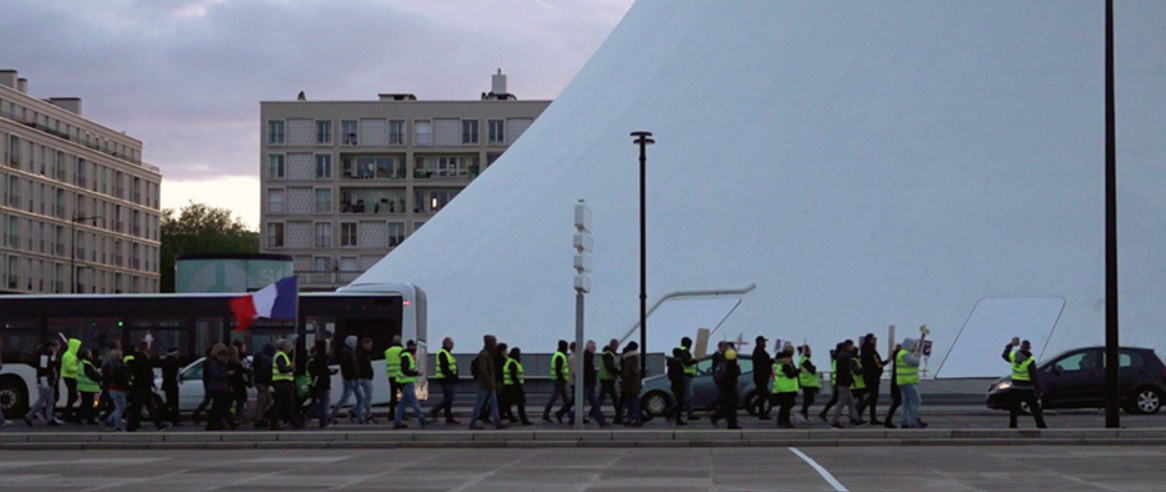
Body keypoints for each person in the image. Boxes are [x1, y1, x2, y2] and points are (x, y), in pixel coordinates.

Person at [1003, 338, 1047, 429]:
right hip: (1027, 388)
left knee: (1014, 409)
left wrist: (1011, 344)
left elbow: (1005, 355)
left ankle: (1012, 426)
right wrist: (1038, 389)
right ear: (1029, 348)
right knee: (1035, 409)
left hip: (1015, 387)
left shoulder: (1013, 356)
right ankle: (1041, 426)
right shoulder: (1030, 360)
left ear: (1021, 347)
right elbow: (1034, 376)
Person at [125, 342, 169, 432]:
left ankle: (158, 424)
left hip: (140, 386)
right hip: (143, 387)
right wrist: (151, 383)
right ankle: (131, 426)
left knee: (145, 406)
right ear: (146, 348)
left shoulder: (135, 359)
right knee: (141, 407)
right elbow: (146, 374)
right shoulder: (143, 359)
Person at [469, 335, 507, 430]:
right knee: (480, 403)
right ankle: (473, 423)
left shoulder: (488, 354)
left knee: (493, 403)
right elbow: (483, 369)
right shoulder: (485, 355)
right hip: (485, 384)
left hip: (489, 384)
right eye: (494, 342)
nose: (495, 344)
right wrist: (490, 379)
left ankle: (497, 422)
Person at [24, 338, 62, 426]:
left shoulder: (47, 355)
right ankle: (29, 415)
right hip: (45, 381)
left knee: (50, 400)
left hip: (48, 380)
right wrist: (49, 380)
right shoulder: (44, 356)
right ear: (51, 347)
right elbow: (43, 370)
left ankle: (49, 418)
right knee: (43, 399)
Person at [830, 339, 865, 429]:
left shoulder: (841, 355)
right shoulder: (846, 356)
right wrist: (850, 380)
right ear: (848, 346)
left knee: (851, 402)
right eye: (852, 346)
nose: (853, 347)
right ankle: (834, 421)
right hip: (844, 383)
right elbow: (846, 371)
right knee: (841, 403)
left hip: (842, 382)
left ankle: (855, 418)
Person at [394, 340, 428, 429]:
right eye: (414, 346)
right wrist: (416, 373)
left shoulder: (407, 355)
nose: (415, 348)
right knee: (414, 401)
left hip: (405, 381)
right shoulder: (406, 355)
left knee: (402, 403)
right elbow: (405, 370)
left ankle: (397, 421)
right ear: (409, 346)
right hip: (406, 381)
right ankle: (422, 419)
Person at [270, 340, 302, 430]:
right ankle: (275, 422)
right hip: (281, 383)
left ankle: (293, 421)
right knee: (281, 404)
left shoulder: (282, 355)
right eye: (288, 346)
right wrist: (291, 367)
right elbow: (282, 369)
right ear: (283, 347)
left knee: (289, 403)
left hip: (284, 383)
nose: (290, 348)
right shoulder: (280, 356)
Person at [330, 336, 361, 424]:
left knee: (360, 398)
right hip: (351, 379)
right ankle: (332, 415)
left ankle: (357, 414)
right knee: (345, 399)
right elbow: (346, 367)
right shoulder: (347, 352)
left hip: (353, 378)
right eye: (355, 342)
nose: (356, 344)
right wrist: (350, 376)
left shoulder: (350, 351)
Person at [859, 334, 888, 425]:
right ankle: (865, 413)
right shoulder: (872, 352)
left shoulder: (863, 351)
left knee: (871, 396)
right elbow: (879, 364)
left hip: (867, 376)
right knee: (873, 397)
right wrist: (888, 360)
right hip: (873, 377)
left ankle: (862, 412)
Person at [429, 337, 459, 424]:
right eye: (451, 344)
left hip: (448, 379)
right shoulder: (443, 353)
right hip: (445, 379)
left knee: (448, 398)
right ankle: (435, 410)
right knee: (450, 398)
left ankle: (448, 417)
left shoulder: (447, 353)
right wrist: (452, 376)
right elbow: (444, 368)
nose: (452, 346)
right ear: (446, 344)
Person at [710, 343, 740, 429]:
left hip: (726, 384)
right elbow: (736, 372)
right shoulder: (731, 361)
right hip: (729, 384)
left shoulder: (724, 360)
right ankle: (728, 421)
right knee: (731, 404)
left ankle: (726, 419)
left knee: (728, 404)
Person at [897, 336, 924, 428]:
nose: (915, 347)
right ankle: (913, 421)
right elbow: (915, 363)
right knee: (916, 401)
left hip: (903, 381)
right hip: (907, 381)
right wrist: (918, 355)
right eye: (914, 346)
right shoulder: (905, 354)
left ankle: (904, 421)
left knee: (906, 402)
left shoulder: (902, 353)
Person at [205, 345, 234, 431]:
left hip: (220, 388)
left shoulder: (220, 364)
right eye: (224, 357)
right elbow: (216, 375)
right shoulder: (214, 364)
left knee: (218, 407)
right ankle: (212, 424)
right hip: (217, 388)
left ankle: (215, 423)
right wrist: (227, 374)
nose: (225, 359)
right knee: (217, 407)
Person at [101, 349, 130, 431]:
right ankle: (117, 425)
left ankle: (109, 420)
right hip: (117, 388)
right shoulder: (119, 366)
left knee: (120, 407)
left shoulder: (110, 365)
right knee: (120, 407)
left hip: (114, 388)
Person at [772, 343, 800, 428]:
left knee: (785, 406)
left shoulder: (780, 363)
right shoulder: (786, 364)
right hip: (788, 388)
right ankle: (784, 421)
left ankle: (782, 420)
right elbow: (790, 375)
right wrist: (798, 371)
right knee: (787, 405)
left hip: (781, 387)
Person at [502, 347, 532, 425]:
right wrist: (518, 385)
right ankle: (523, 420)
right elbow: (513, 375)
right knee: (520, 403)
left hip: (508, 385)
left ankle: (512, 417)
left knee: (507, 403)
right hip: (514, 386)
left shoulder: (509, 361)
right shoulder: (513, 363)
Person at [543, 340, 572, 423]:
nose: (567, 349)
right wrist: (562, 378)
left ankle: (569, 415)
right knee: (557, 398)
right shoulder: (560, 356)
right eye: (566, 347)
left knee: (565, 399)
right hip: (560, 381)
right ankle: (546, 414)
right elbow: (558, 369)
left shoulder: (557, 355)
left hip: (559, 380)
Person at [310, 340, 336, 429]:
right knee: (323, 403)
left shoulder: (319, 357)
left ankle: (307, 416)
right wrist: (329, 371)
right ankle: (323, 422)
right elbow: (321, 371)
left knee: (321, 403)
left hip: (321, 382)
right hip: (322, 382)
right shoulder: (321, 358)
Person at [581, 340, 608, 427]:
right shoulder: (586, 357)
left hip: (588, 383)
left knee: (590, 403)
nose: (595, 349)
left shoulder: (587, 356)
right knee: (594, 403)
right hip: (587, 384)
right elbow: (587, 371)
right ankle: (601, 421)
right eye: (593, 347)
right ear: (589, 348)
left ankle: (601, 421)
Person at [818, 342, 845, 421]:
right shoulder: (839, 358)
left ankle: (825, 412)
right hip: (839, 381)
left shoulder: (835, 358)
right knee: (836, 399)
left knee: (836, 399)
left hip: (836, 381)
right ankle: (825, 412)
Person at [597, 339, 622, 423]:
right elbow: (610, 367)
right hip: (608, 378)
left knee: (603, 398)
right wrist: (618, 372)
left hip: (606, 378)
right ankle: (618, 416)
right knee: (614, 398)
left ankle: (594, 412)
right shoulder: (609, 354)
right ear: (615, 346)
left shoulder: (608, 354)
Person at [76, 349, 102, 425]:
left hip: (84, 387)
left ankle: (85, 417)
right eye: (90, 354)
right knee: (88, 404)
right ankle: (85, 418)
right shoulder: (87, 364)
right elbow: (92, 375)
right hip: (88, 387)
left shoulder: (82, 363)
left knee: (87, 403)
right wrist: (100, 377)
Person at [252, 342, 275, 428]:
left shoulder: (259, 356)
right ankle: (259, 418)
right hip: (263, 382)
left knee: (265, 400)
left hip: (258, 381)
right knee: (263, 401)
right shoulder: (267, 360)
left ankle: (261, 417)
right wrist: (269, 381)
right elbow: (265, 372)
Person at [190, 346, 215, 424]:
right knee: (209, 401)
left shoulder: (206, 361)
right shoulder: (210, 361)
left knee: (208, 401)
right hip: (210, 384)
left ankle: (196, 414)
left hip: (208, 383)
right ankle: (196, 414)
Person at [621, 342, 643, 426]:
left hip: (630, 384)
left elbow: (626, 374)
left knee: (632, 402)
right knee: (633, 401)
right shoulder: (635, 359)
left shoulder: (628, 361)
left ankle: (635, 419)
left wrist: (623, 384)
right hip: (635, 383)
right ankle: (633, 418)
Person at [677, 337, 699, 420]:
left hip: (684, 375)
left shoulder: (681, 351)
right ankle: (690, 414)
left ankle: (688, 413)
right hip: (686, 375)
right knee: (689, 396)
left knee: (685, 396)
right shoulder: (684, 351)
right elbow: (687, 363)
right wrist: (696, 360)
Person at [60, 337, 82, 423]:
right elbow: (69, 368)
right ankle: (67, 414)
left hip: (72, 377)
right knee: (72, 396)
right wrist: (78, 368)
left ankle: (68, 413)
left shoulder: (72, 355)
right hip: (69, 377)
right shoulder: (68, 355)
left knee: (72, 396)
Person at [797, 345, 821, 420]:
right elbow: (812, 370)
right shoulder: (806, 360)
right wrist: (814, 367)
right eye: (809, 350)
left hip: (805, 382)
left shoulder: (802, 359)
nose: (811, 352)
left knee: (807, 399)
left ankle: (804, 414)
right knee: (809, 400)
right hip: (808, 383)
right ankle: (803, 412)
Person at [752, 335, 773, 419]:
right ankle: (761, 412)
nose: (765, 344)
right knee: (763, 394)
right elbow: (764, 363)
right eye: (763, 342)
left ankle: (760, 411)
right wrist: (772, 361)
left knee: (763, 394)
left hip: (762, 376)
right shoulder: (759, 352)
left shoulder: (760, 351)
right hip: (761, 376)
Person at [229, 341, 251, 422]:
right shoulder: (233, 363)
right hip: (237, 385)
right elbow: (240, 371)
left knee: (238, 402)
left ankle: (236, 415)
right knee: (238, 402)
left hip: (238, 385)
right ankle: (237, 416)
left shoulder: (235, 362)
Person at [161, 347, 182, 426]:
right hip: (172, 385)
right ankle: (175, 419)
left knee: (170, 402)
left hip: (167, 385)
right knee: (174, 403)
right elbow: (173, 374)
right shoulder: (174, 362)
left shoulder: (165, 361)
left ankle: (170, 417)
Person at [383, 336, 404, 418]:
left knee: (393, 396)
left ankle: (391, 414)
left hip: (391, 375)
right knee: (404, 396)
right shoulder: (402, 350)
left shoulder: (388, 351)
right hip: (400, 375)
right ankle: (401, 414)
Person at [884, 343, 903, 429]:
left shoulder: (895, 356)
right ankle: (888, 420)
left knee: (897, 401)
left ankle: (888, 419)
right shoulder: (900, 357)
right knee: (899, 401)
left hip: (895, 381)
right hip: (900, 382)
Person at [666, 347, 687, 425]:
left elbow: (670, 375)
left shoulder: (672, 363)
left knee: (680, 401)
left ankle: (674, 414)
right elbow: (678, 375)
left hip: (675, 384)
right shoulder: (677, 364)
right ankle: (673, 414)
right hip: (678, 384)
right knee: (680, 401)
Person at [356, 338, 375, 424]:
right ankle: (368, 415)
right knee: (367, 397)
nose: (371, 346)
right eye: (369, 344)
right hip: (364, 378)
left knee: (366, 397)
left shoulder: (365, 354)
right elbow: (363, 366)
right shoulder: (363, 354)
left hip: (365, 377)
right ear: (364, 345)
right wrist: (367, 374)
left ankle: (355, 411)